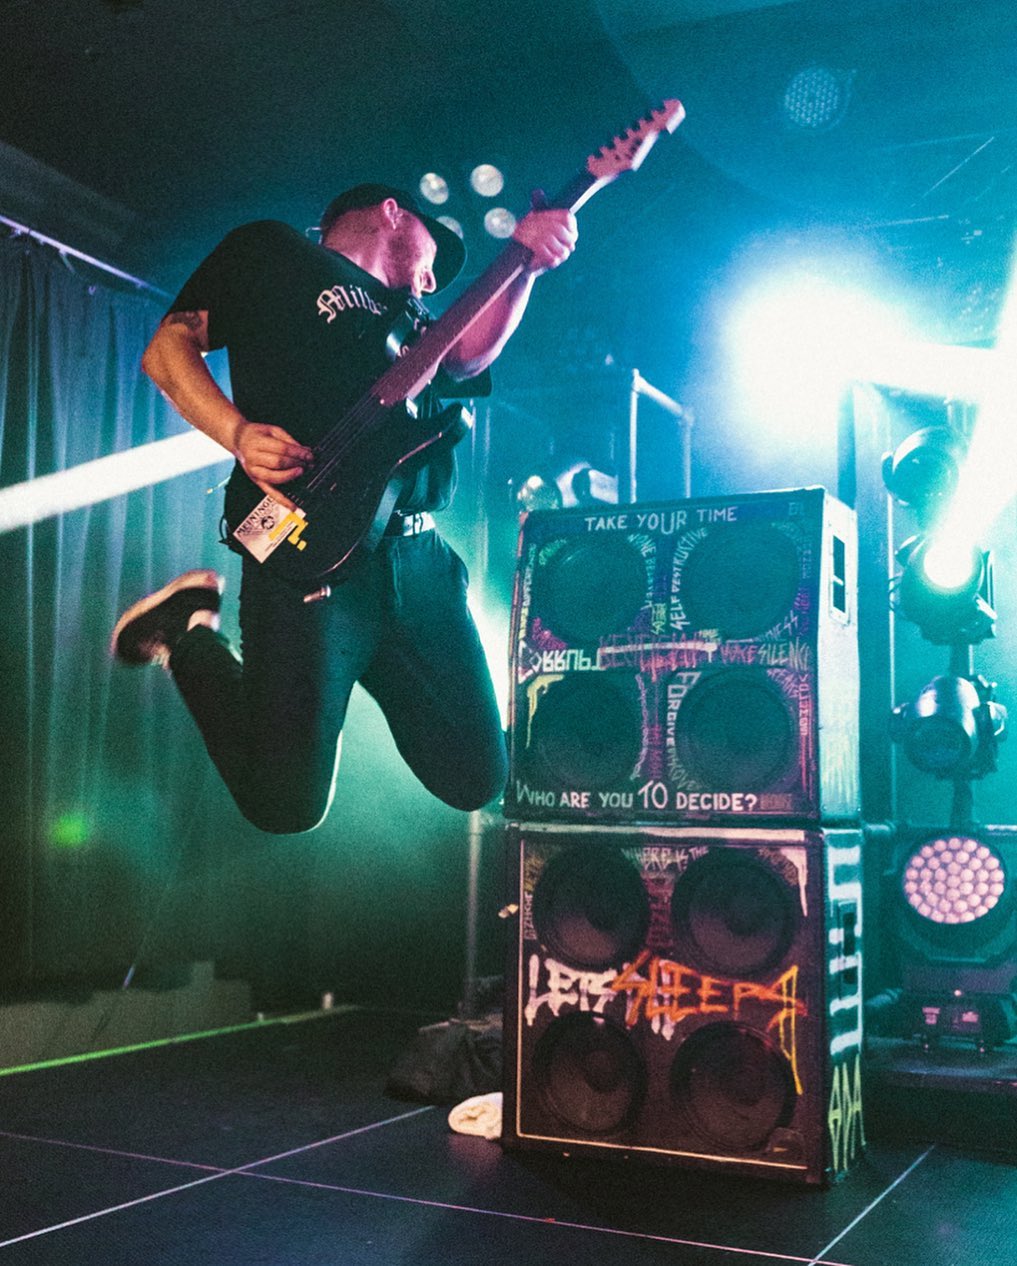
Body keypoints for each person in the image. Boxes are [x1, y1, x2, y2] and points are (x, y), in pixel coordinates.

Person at [110, 184, 577, 833]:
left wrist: (524, 266)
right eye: (432, 256)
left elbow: (467, 359)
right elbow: (168, 349)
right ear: (392, 211)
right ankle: (188, 635)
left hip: (416, 558)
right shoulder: (273, 249)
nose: (432, 279)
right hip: (306, 548)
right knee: (285, 805)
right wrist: (237, 434)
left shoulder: (415, 325)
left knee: (476, 776)